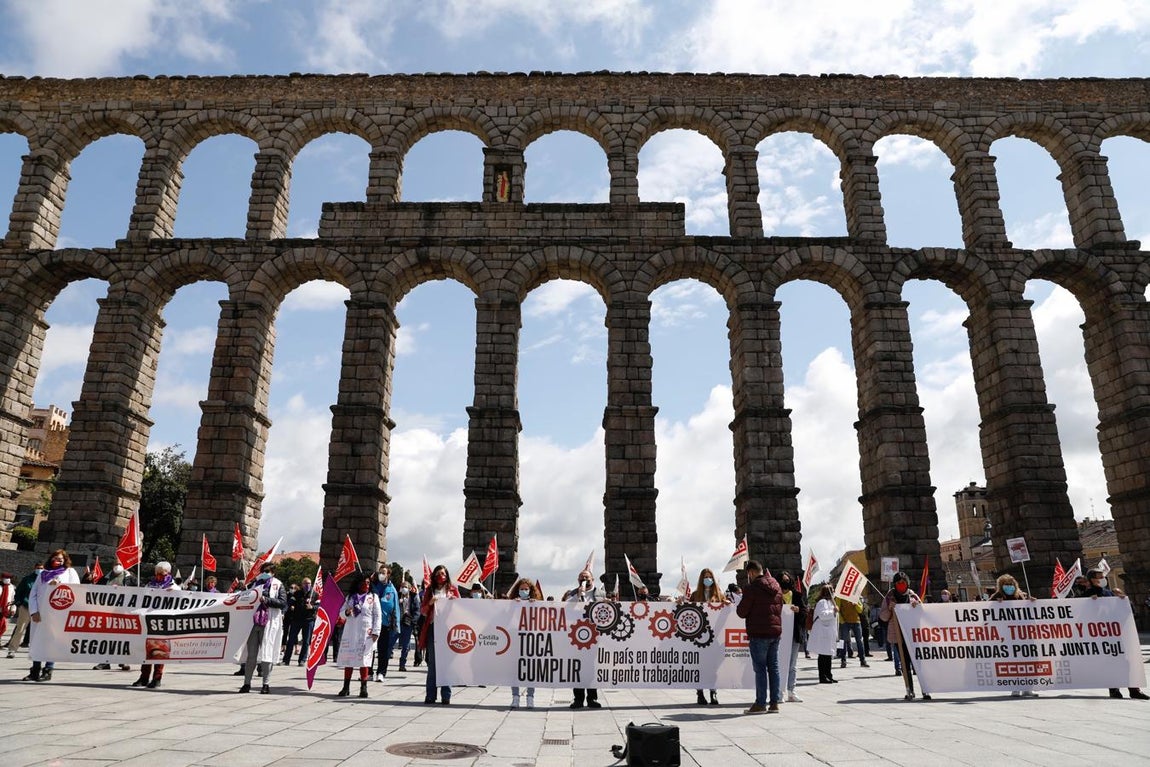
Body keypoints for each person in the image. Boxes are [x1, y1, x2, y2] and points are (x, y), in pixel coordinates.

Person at [1081, 568, 1149, 700]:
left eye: (1102, 576)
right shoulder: (1086, 594)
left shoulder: (1109, 593)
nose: (1102, 579)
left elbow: (1129, 612)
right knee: (1110, 662)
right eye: (1099, 576)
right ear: (1091, 579)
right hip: (1101, 636)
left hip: (1118, 634)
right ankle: (1114, 690)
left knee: (1127, 661)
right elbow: (1079, 613)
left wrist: (1124, 601)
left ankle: (1134, 689)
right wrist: (1088, 602)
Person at [735, 560, 783, 714]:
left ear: (751, 573)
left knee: (760, 669)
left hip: (758, 633)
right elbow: (779, 607)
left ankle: (760, 703)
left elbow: (741, 612)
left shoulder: (752, 588)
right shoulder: (776, 584)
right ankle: (774, 703)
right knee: (774, 668)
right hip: (775, 632)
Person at [27, 549, 80, 681]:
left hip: (57, 614)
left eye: (61, 558)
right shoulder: (43, 574)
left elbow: (76, 590)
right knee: (36, 641)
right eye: (56, 558)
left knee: (52, 641)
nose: (58, 560)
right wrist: (34, 611)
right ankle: (34, 670)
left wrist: (59, 585)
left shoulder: (69, 572)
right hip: (40, 613)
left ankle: (48, 670)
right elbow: (33, 593)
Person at [238, 562, 286, 694]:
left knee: (267, 654)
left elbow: (283, 603)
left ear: (273, 573)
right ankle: (246, 683)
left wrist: (267, 600)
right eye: (264, 570)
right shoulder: (255, 584)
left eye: (268, 571)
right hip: (254, 623)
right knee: (251, 655)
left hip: (269, 622)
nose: (265, 573)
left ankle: (266, 684)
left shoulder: (278, 585)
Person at [879, 571, 929, 701]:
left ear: (907, 583)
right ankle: (909, 690)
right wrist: (890, 609)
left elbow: (923, 612)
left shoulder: (912, 595)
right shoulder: (890, 596)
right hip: (898, 635)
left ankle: (925, 690)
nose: (901, 585)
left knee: (918, 664)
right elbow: (883, 617)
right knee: (905, 664)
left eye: (903, 582)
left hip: (913, 635)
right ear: (895, 584)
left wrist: (916, 606)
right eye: (898, 583)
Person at [131, 561, 179, 689]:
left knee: (159, 650)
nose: (158, 576)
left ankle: (157, 678)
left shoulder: (174, 587)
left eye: (161, 574)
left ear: (168, 573)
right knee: (146, 649)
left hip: (163, 622)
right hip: (148, 621)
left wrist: (173, 594)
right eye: (157, 574)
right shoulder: (150, 584)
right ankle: (144, 677)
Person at [334, 572, 380, 698]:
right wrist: (346, 612)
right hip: (351, 632)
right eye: (364, 583)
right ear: (358, 584)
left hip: (366, 633)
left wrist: (376, 631)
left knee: (364, 660)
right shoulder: (350, 597)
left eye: (368, 583)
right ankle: (346, 687)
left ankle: (363, 687)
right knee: (349, 660)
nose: (366, 585)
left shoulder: (373, 597)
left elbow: (377, 615)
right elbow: (341, 613)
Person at [688, 567, 729, 706]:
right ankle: (700, 693)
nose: (708, 579)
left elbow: (727, 610)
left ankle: (713, 693)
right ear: (701, 579)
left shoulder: (719, 595)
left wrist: (727, 604)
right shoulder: (695, 595)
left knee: (713, 666)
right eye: (705, 576)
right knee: (699, 666)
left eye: (710, 576)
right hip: (699, 636)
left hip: (714, 636)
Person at [562, 569, 602, 709]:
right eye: (581, 578)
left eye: (586, 577)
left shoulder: (601, 594)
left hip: (594, 638)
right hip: (577, 637)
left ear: (593, 579)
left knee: (590, 669)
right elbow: (565, 608)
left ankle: (592, 699)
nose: (584, 580)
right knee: (577, 668)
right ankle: (578, 699)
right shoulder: (573, 593)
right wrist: (578, 595)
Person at [418, 564, 456, 704]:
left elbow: (461, 610)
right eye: (439, 573)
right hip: (433, 629)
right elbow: (423, 611)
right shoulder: (430, 590)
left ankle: (446, 695)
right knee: (433, 664)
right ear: (434, 575)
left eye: (444, 574)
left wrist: (454, 602)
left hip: (448, 631)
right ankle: (430, 695)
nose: (441, 576)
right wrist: (430, 603)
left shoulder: (453, 590)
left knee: (446, 663)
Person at [509, 577, 542, 709]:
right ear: (517, 590)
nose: (523, 591)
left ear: (531, 590)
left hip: (530, 640)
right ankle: (515, 697)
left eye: (526, 589)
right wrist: (512, 605)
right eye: (521, 589)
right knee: (515, 670)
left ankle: (530, 697)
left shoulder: (536, 603)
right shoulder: (512, 603)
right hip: (516, 640)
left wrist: (535, 605)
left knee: (531, 671)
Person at [777, 570, 807, 702]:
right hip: (778, 635)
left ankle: (791, 691)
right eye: (782, 580)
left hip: (794, 634)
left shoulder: (797, 595)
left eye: (787, 579)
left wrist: (798, 610)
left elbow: (805, 611)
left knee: (792, 665)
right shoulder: (774, 595)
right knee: (779, 664)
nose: (785, 582)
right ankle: (779, 692)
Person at [370, 565, 400, 682]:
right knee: (370, 649)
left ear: (388, 575)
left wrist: (396, 625)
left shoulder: (392, 590)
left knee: (384, 650)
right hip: (372, 623)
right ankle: (368, 672)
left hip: (386, 624)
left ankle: (381, 672)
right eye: (379, 572)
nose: (381, 574)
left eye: (383, 572)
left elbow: (396, 607)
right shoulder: (373, 587)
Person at [283, 576, 318, 666]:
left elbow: (319, 606)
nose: (307, 585)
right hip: (296, 619)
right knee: (291, 639)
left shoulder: (315, 594)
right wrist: (288, 608)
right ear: (302, 584)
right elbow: (290, 602)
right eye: (305, 583)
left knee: (306, 641)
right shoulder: (297, 593)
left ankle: (302, 660)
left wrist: (312, 607)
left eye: (309, 583)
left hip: (308, 620)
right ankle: (286, 660)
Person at [807, 585, 839, 684]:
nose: (834, 592)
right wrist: (833, 611)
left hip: (829, 633)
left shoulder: (831, 602)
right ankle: (822, 676)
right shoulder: (822, 602)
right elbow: (823, 615)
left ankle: (829, 675)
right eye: (832, 590)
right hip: (822, 632)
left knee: (828, 655)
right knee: (823, 655)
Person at [7, 564, 39, 658]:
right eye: (38, 568)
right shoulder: (27, 579)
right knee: (20, 628)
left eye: (42, 568)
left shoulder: (45, 580)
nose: (40, 570)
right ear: (35, 568)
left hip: (39, 609)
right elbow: (19, 591)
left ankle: (36, 651)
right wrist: (19, 603)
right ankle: (12, 649)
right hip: (26, 606)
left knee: (38, 631)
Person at [835, 594, 869, 668]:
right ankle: (843, 660)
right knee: (843, 641)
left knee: (859, 641)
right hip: (845, 622)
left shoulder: (855, 595)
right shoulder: (839, 596)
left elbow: (860, 610)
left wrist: (856, 604)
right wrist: (842, 621)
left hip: (856, 621)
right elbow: (837, 609)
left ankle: (863, 660)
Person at [396, 577, 420, 671]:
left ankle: (402, 664)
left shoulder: (414, 598)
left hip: (407, 623)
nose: (403, 588)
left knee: (405, 646)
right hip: (397, 622)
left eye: (405, 587)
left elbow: (417, 611)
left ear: (409, 588)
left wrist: (413, 621)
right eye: (402, 587)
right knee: (390, 644)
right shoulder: (397, 596)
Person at [0, 572, 14, 645]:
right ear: (1, 578)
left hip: (5, 609)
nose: (7, 579)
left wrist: (13, 609)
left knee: (3, 626)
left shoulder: (11, 587)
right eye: (6, 578)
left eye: (9, 578)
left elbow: (12, 599)